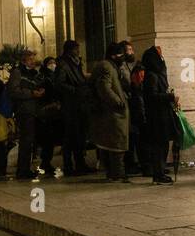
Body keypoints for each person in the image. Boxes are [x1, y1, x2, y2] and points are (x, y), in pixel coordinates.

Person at [88, 43, 131, 182]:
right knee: (116, 144)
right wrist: (118, 101)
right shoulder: (106, 66)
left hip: (112, 112)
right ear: (114, 55)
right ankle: (117, 173)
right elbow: (104, 88)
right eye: (121, 54)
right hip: (112, 113)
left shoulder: (112, 66)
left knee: (113, 143)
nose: (123, 57)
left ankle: (114, 173)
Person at [52, 39, 93, 175]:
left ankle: (80, 163)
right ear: (70, 50)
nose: (78, 51)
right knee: (71, 137)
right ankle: (69, 166)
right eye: (76, 49)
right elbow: (59, 83)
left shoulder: (76, 63)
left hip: (79, 103)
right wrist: (75, 90)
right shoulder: (64, 64)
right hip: (71, 105)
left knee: (80, 136)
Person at [139, 45, 175, 184]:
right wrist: (170, 97)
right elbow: (152, 96)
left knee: (162, 144)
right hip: (157, 116)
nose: (162, 58)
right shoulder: (151, 75)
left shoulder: (156, 74)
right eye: (159, 55)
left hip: (161, 114)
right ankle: (158, 174)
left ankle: (160, 172)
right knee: (159, 146)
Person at [6, 51, 44, 181]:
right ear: (24, 61)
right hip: (24, 110)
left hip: (34, 110)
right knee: (26, 141)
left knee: (30, 141)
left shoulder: (34, 73)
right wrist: (31, 93)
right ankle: (22, 170)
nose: (33, 61)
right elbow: (14, 90)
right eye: (30, 59)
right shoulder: (18, 72)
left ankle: (26, 168)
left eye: (34, 59)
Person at [35, 57, 63, 179]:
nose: (53, 65)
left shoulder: (56, 76)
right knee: (47, 139)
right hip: (46, 112)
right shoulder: (42, 77)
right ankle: (45, 163)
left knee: (51, 139)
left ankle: (46, 162)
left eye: (54, 63)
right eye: (50, 63)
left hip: (55, 113)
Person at [119, 40, 145, 175]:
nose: (131, 52)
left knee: (137, 134)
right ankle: (129, 162)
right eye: (127, 50)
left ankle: (137, 161)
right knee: (130, 134)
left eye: (131, 49)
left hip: (137, 101)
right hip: (128, 102)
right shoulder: (121, 67)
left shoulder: (137, 64)